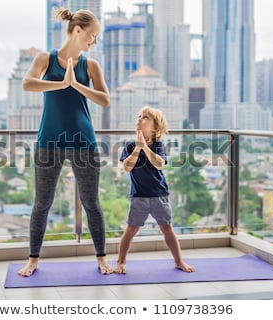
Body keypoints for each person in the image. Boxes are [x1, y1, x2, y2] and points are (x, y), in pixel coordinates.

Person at [18, 8, 113, 276]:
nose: (94, 41)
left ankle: (102, 258)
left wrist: (76, 85)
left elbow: (105, 100)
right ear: (78, 30)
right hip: (49, 141)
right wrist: (61, 84)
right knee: (42, 203)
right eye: (92, 35)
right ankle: (33, 260)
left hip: (84, 142)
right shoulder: (45, 59)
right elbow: (27, 84)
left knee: (91, 202)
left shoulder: (90, 65)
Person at [114, 106, 195, 274]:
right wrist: (138, 147)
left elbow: (159, 163)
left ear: (155, 127)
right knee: (131, 229)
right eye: (139, 116)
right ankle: (120, 262)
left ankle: (179, 261)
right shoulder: (129, 145)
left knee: (167, 228)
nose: (139, 119)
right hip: (139, 196)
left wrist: (145, 147)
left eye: (145, 118)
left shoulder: (158, 145)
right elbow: (127, 167)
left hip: (159, 195)